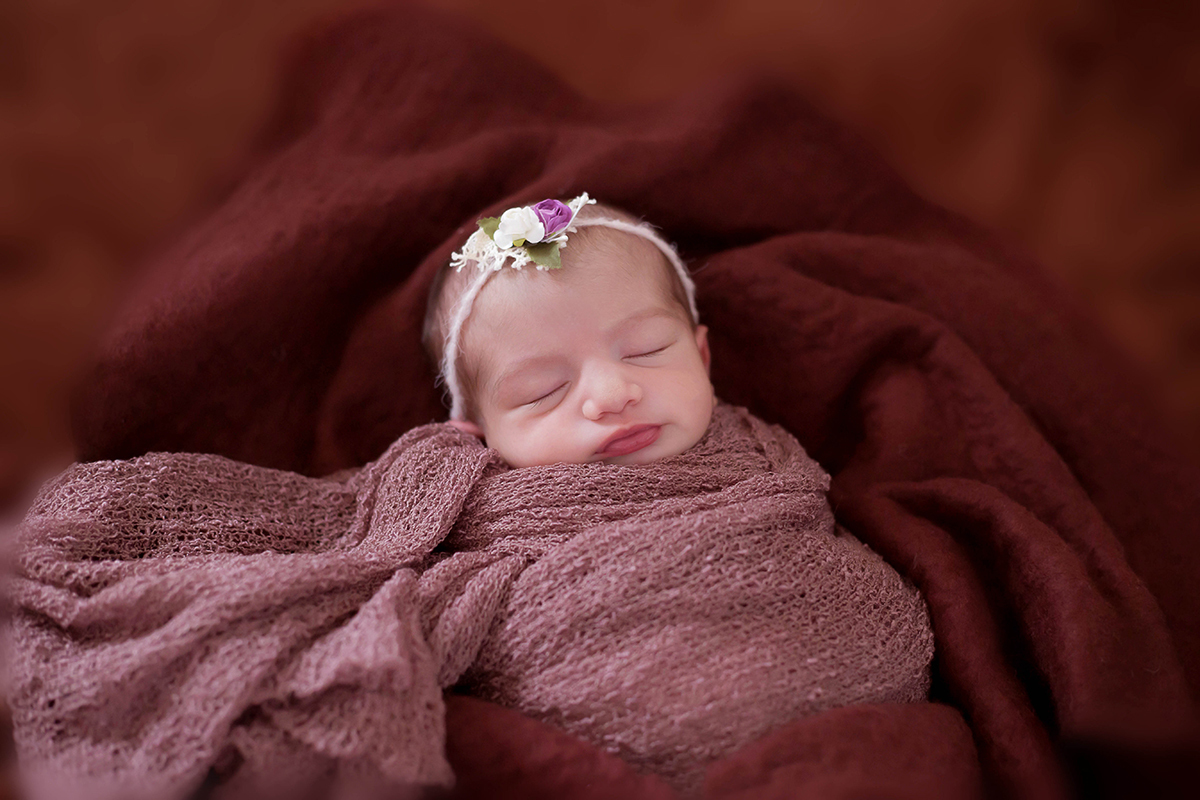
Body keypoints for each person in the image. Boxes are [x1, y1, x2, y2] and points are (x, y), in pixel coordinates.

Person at [422, 193, 717, 466]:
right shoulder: (466, 496)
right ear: (477, 435)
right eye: (544, 392)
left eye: (647, 350)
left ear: (702, 358)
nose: (612, 396)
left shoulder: (748, 461)